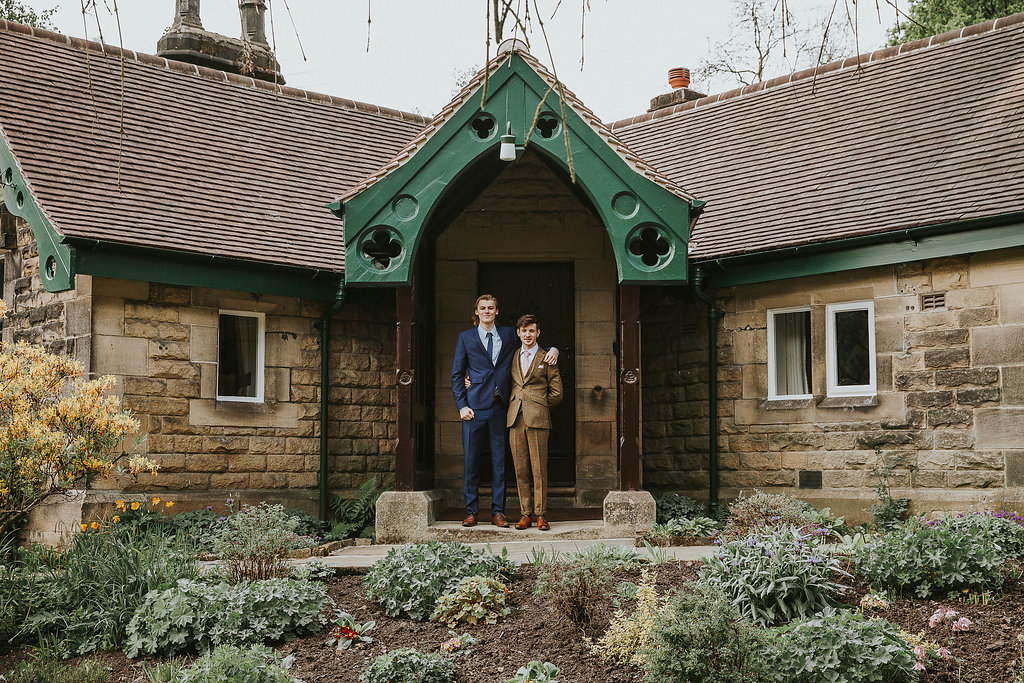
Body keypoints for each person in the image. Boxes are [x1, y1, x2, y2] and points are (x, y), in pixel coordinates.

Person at [451, 294, 557, 527]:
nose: (487, 311)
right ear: (476, 311)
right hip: (474, 409)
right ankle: (471, 511)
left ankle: (498, 512)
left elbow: (532, 344)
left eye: (491, 308)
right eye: (483, 308)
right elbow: (457, 375)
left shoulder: (510, 334)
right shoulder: (466, 338)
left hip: (502, 407)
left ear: (497, 311)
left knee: (500, 461)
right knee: (471, 461)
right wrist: (461, 406)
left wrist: (554, 349)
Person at [506, 314, 562, 531]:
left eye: (532, 331)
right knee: (520, 469)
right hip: (515, 418)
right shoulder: (512, 356)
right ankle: (525, 514)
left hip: (538, 418)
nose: (527, 335)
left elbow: (556, 392)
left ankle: (541, 514)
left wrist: (539, 406)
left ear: (538, 333)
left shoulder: (547, 357)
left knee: (539, 469)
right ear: (518, 333)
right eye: (524, 331)